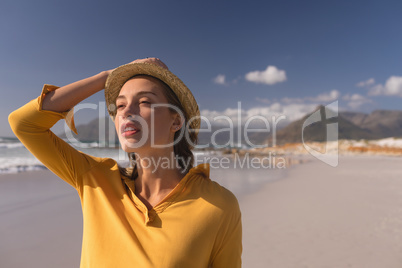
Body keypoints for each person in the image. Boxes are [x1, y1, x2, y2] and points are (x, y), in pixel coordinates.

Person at [8, 58, 242, 267]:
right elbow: (23, 123)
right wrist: (107, 76)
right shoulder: (95, 180)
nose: (127, 111)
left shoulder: (218, 205)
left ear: (176, 121)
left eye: (145, 102)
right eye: (120, 105)